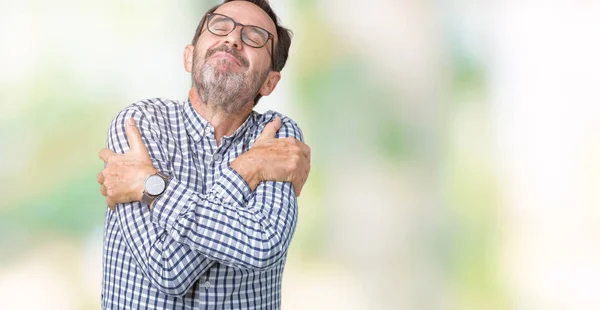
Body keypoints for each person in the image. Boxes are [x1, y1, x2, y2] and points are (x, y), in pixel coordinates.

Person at [95, 0, 311, 308]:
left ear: (269, 82)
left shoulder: (278, 135)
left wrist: (154, 186)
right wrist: (247, 169)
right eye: (220, 26)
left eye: (254, 37)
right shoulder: (139, 123)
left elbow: (263, 244)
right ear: (189, 56)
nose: (233, 39)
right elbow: (166, 268)